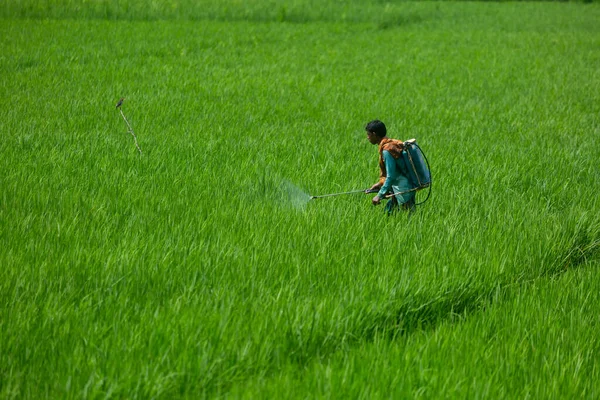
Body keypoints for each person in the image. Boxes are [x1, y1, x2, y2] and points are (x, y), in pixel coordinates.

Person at [365, 120, 416, 214]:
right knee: (388, 213)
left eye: (368, 135)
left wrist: (379, 195)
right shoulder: (392, 144)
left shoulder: (387, 151)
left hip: (403, 190)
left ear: (374, 134)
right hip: (402, 187)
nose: (367, 137)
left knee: (409, 218)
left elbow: (391, 176)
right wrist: (380, 184)